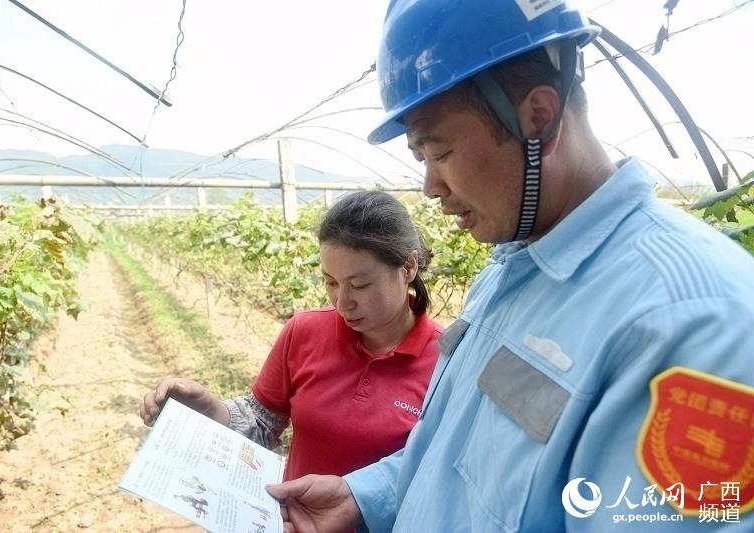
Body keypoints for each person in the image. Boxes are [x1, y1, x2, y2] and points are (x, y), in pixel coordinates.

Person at [265, 1, 754, 531]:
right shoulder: (508, 270)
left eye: (440, 152)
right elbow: (465, 455)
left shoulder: (693, 320)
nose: (430, 187)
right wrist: (364, 496)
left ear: (538, 118)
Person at [139, 190, 443, 481]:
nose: (342, 301)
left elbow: (439, 474)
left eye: (360, 284)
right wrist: (209, 409)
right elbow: (261, 422)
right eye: (331, 282)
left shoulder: (447, 361)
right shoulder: (305, 331)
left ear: (408, 267)